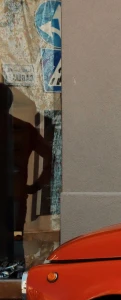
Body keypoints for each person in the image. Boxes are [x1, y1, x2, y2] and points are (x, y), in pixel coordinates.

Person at [0, 83, 53, 264]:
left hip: (15, 193)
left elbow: (51, 158)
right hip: (16, 192)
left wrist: (37, 184)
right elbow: (50, 157)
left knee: (12, 239)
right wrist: (36, 185)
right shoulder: (24, 128)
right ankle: (15, 270)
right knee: (15, 238)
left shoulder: (24, 129)